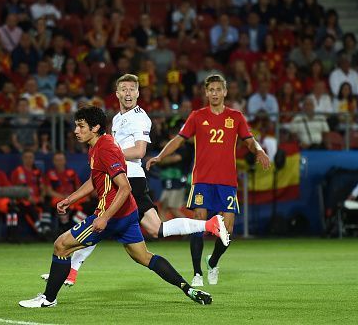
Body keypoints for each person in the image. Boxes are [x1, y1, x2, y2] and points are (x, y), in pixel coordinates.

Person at [19, 106, 212, 308]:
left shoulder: (105, 149)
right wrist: (70, 199)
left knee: (61, 245)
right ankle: (188, 289)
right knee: (144, 257)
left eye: (81, 126)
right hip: (128, 214)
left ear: (95, 127)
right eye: (76, 126)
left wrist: (105, 217)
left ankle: (48, 299)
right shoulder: (101, 145)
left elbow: (125, 187)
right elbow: (95, 180)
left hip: (112, 215)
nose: (76, 131)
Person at [44, 74, 228, 286]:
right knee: (156, 229)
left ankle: (71, 271)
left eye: (132, 89)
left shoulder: (140, 118)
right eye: (124, 89)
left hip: (128, 178)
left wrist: (109, 153)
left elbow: (140, 151)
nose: (128, 93)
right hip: (124, 176)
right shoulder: (118, 119)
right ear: (117, 93)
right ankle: (210, 223)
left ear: (138, 93)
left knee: (100, 221)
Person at [147, 74, 271, 286]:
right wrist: (160, 156)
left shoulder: (236, 116)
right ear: (206, 93)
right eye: (210, 90)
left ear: (225, 92)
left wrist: (259, 151)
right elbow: (179, 139)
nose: (214, 93)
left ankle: (213, 262)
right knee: (198, 223)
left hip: (227, 182)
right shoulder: (197, 116)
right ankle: (197, 273)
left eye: (218, 89)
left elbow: (250, 141)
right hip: (202, 180)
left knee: (228, 230)